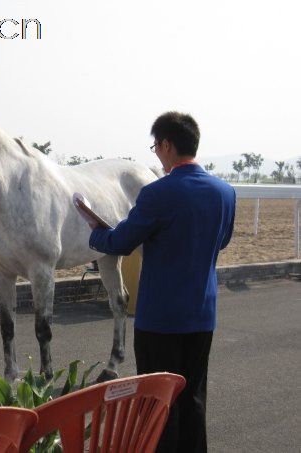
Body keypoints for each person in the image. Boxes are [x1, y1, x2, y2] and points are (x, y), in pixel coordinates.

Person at [85, 112, 236, 452]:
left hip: (160, 320)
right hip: (202, 314)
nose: (156, 153)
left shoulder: (158, 193)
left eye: (155, 146)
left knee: (158, 404)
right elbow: (222, 240)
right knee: (194, 398)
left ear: (167, 145)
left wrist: (96, 234)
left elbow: (121, 242)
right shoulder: (225, 192)